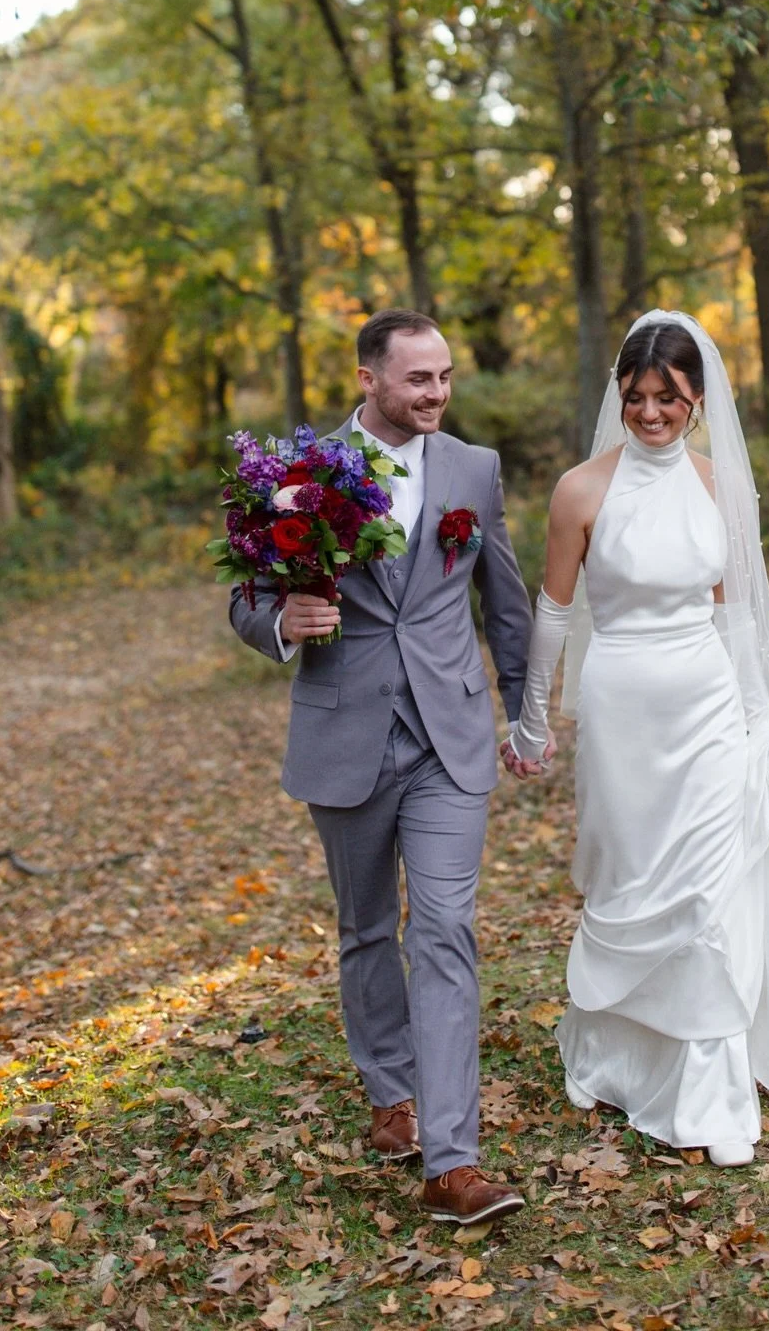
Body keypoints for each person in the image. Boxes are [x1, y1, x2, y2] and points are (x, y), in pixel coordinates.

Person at [229, 309, 534, 1225]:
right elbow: (246, 596)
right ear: (369, 379)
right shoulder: (297, 475)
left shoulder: (473, 470)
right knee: (367, 928)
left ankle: (453, 1161)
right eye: (418, 379)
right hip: (345, 733)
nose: (437, 393)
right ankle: (389, 1095)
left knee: (444, 930)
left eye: (444, 376)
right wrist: (283, 624)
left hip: (450, 735)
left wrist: (525, 709)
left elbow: (503, 599)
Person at [502, 310, 769, 1165]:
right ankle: (617, 1057)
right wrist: (530, 725)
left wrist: (760, 718)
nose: (650, 413)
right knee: (631, 885)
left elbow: (734, 610)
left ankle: (710, 1094)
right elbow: (555, 613)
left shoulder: (721, 485)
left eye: (667, 398)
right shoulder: (581, 491)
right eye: (636, 397)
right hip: (621, 710)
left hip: (707, 706)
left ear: (697, 399)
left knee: (706, 894)